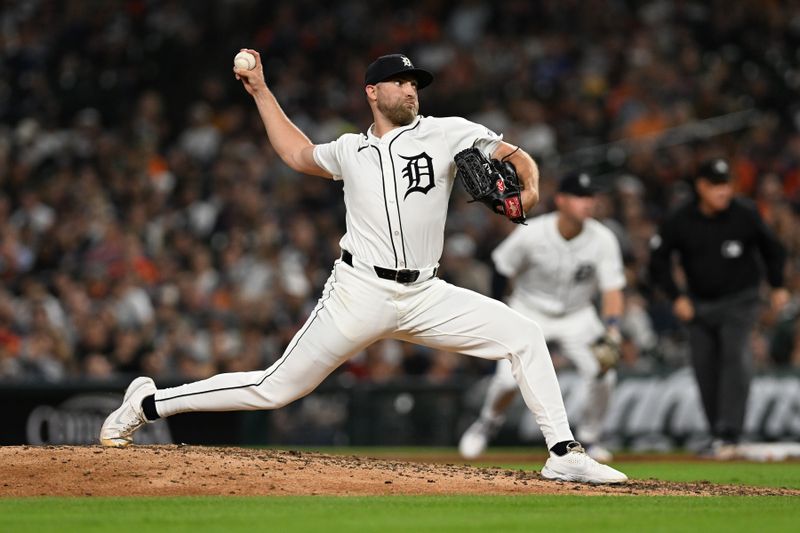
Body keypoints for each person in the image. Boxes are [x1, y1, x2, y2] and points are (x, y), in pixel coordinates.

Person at [100, 50, 627, 483]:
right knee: (275, 389)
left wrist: (529, 187)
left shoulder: (448, 132)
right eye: (398, 82)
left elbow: (516, 156)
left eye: (414, 82)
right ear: (372, 93)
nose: (410, 89)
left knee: (524, 335)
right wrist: (261, 91)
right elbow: (297, 154)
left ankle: (562, 452)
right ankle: (148, 404)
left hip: (426, 294)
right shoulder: (350, 149)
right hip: (359, 292)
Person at [459, 171, 626, 462]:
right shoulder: (532, 232)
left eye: (591, 197)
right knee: (508, 382)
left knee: (605, 371)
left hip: (579, 316)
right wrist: (501, 311)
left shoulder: (603, 238)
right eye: (579, 197)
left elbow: (612, 289)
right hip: (529, 310)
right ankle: (487, 423)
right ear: (561, 200)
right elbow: (501, 267)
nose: (588, 203)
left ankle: (590, 436)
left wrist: (612, 328)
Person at [649, 158, 789, 458]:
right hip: (699, 304)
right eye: (716, 185)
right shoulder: (681, 218)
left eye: (726, 184)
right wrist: (676, 297)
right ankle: (718, 434)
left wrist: (777, 285)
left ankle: (729, 432)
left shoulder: (745, 213)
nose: (723, 191)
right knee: (704, 366)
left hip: (740, 300)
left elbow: (773, 249)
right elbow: (658, 261)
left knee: (734, 356)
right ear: (700, 186)